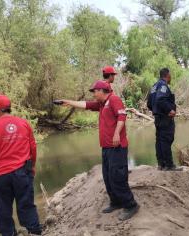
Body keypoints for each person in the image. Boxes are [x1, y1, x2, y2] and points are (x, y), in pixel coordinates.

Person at [59, 80, 139, 221]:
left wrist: (116, 134)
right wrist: (69, 102)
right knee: (108, 176)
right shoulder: (102, 104)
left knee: (117, 177)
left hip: (117, 147)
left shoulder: (114, 99)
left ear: (102, 91)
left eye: (95, 91)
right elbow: (85, 105)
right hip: (106, 147)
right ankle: (116, 202)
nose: (94, 94)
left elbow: (122, 116)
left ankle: (131, 205)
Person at [0, 94, 42, 236]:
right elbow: (32, 147)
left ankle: (9, 233)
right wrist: (32, 166)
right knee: (26, 204)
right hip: (22, 172)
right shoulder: (23, 123)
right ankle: (34, 231)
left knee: (2, 210)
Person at [147, 68, 181, 171]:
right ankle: (169, 165)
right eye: (170, 75)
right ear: (167, 75)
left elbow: (149, 104)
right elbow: (160, 99)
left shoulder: (154, 87)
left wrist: (156, 111)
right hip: (165, 118)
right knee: (166, 140)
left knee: (160, 141)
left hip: (158, 118)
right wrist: (169, 110)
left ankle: (161, 164)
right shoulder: (163, 85)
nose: (171, 77)